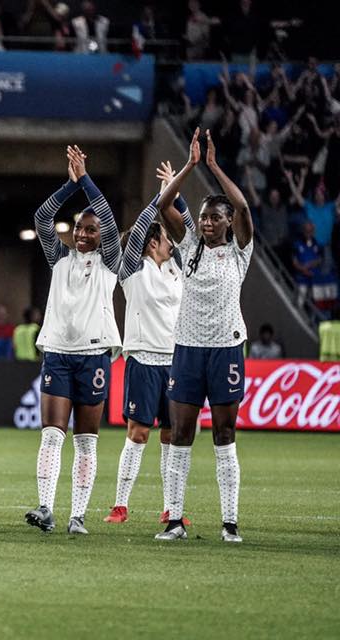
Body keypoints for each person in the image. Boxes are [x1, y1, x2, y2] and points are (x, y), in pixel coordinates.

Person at [155, 128, 254, 543]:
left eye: (215, 217)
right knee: (180, 434)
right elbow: (163, 205)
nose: (207, 222)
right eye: (204, 216)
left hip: (227, 349)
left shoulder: (240, 250)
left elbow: (245, 205)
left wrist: (213, 165)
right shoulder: (190, 244)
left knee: (224, 435)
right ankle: (174, 520)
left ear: (228, 222)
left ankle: (229, 523)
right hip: (188, 349)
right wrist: (190, 166)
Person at [25, 145, 121, 536]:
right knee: (52, 435)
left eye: (90, 230)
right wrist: (70, 185)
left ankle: (77, 516)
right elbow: (42, 216)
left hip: (95, 355)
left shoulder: (111, 261)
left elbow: (113, 224)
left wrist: (87, 181)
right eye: (79, 228)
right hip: (59, 356)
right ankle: (46, 507)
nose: (82, 234)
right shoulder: (58, 258)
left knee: (86, 442)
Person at [104, 161, 194, 526]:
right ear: (153, 242)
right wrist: (159, 197)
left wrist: (175, 190)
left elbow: (188, 228)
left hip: (177, 362)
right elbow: (142, 224)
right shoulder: (133, 271)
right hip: (143, 359)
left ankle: (172, 508)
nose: (173, 243)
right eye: (165, 238)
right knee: (138, 433)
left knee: (173, 438)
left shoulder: (178, 269)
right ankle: (120, 506)